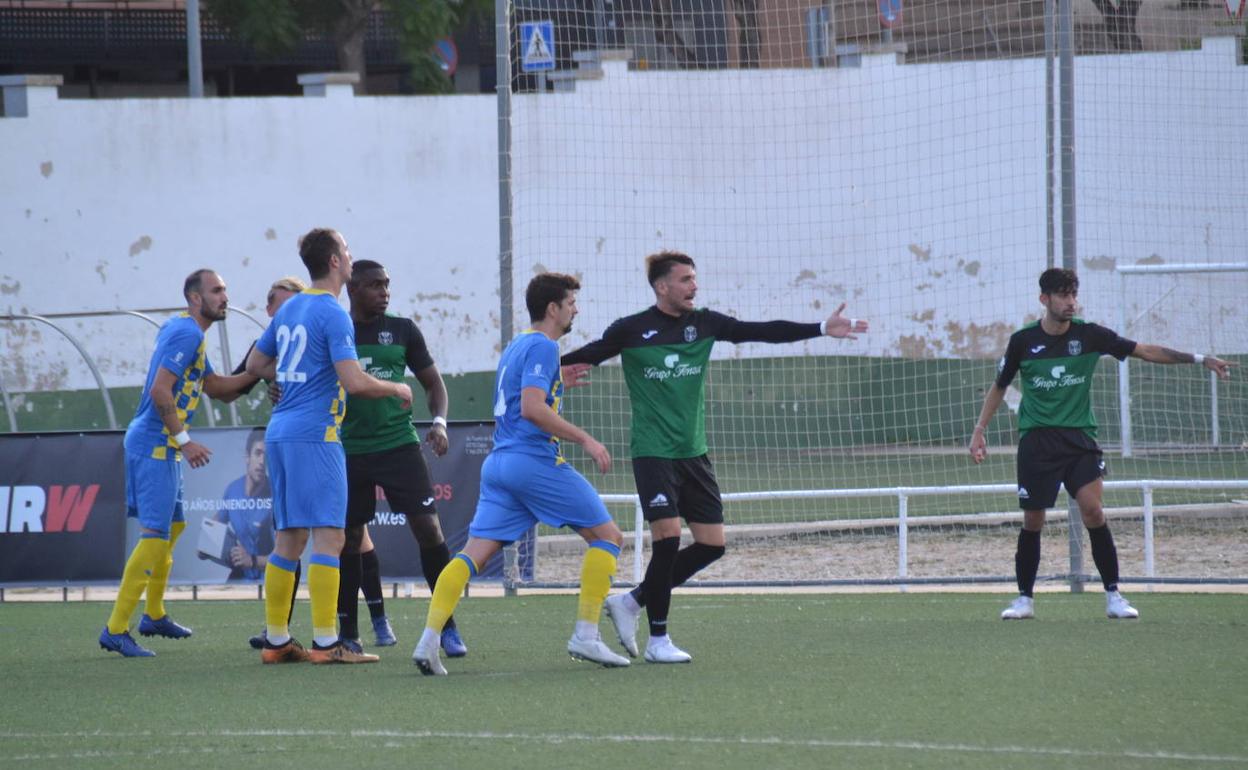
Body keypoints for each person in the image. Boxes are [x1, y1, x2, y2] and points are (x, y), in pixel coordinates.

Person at [561, 250, 869, 663]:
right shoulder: (632, 330)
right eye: (685, 279)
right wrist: (547, 368)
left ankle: (631, 602)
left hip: (694, 453)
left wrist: (819, 328)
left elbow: (761, 331)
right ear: (662, 286)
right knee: (667, 539)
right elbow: (587, 354)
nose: (694, 286)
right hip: (653, 453)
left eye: (694, 278)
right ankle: (658, 641)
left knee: (711, 545)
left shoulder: (704, 323)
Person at [970, 267, 1234, 620]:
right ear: (1044, 299)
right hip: (1037, 442)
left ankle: (1113, 595)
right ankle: (1024, 599)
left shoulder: (1090, 335)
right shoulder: (1022, 341)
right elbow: (1000, 385)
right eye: (1063, 295)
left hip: (1080, 440)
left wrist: (1200, 359)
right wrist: (979, 430)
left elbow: (1144, 350)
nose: (1071, 302)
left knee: (1093, 510)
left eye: (1074, 294)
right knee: (1033, 521)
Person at [412, 273, 630, 675]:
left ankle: (428, 641)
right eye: (571, 303)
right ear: (553, 309)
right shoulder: (545, 346)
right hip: (532, 461)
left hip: (499, 464)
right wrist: (586, 440)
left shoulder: (516, 345)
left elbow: (519, 397)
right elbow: (531, 408)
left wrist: (557, 382)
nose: (575, 309)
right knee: (608, 537)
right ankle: (586, 635)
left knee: (471, 555)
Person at [245, 228, 413, 664]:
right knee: (331, 536)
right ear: (336, 261)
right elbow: (354, 382)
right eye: (347, 250)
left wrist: (282, 381)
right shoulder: (333, 313)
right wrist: (396, 388)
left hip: (280, 432)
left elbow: (256, 363)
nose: (351, 255)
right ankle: (325, 643)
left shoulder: (290, 307)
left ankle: (277, 641)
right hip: (315, 435)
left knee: (289, 537)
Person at [98, 269, 260, 657]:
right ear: (194, 298)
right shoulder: (187, 333)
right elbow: (159, 390)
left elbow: (217, 388)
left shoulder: (191, 335)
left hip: (162, 444)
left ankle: (153, 615)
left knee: (174, 526)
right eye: (216, 290)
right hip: (156, 443)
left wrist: (254, 372)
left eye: (224, 289)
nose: (225, 296)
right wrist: (185, 442)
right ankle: (115, 629)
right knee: (155, 535)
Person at [337, 259, 465, 656]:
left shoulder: (403, 329)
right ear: (352, 288)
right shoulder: (337, 329)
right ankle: (348, 633)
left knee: (429, 530)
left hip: (399, 446)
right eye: (375, 285)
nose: (384, 292)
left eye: (387, 285)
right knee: (350, 539)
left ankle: (447, 627)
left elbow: (433, 383)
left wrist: (440, 422)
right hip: (348, 449)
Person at [214, 427, 273, 581]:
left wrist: (252, 560)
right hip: (239, 578)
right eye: (258, 453)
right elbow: (213, 527)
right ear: (247, 456)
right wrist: (206, 546)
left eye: (267, 456)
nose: (262, 461)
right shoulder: (233, 489)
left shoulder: (276, 494)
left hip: (267, 578)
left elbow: (285, 556)